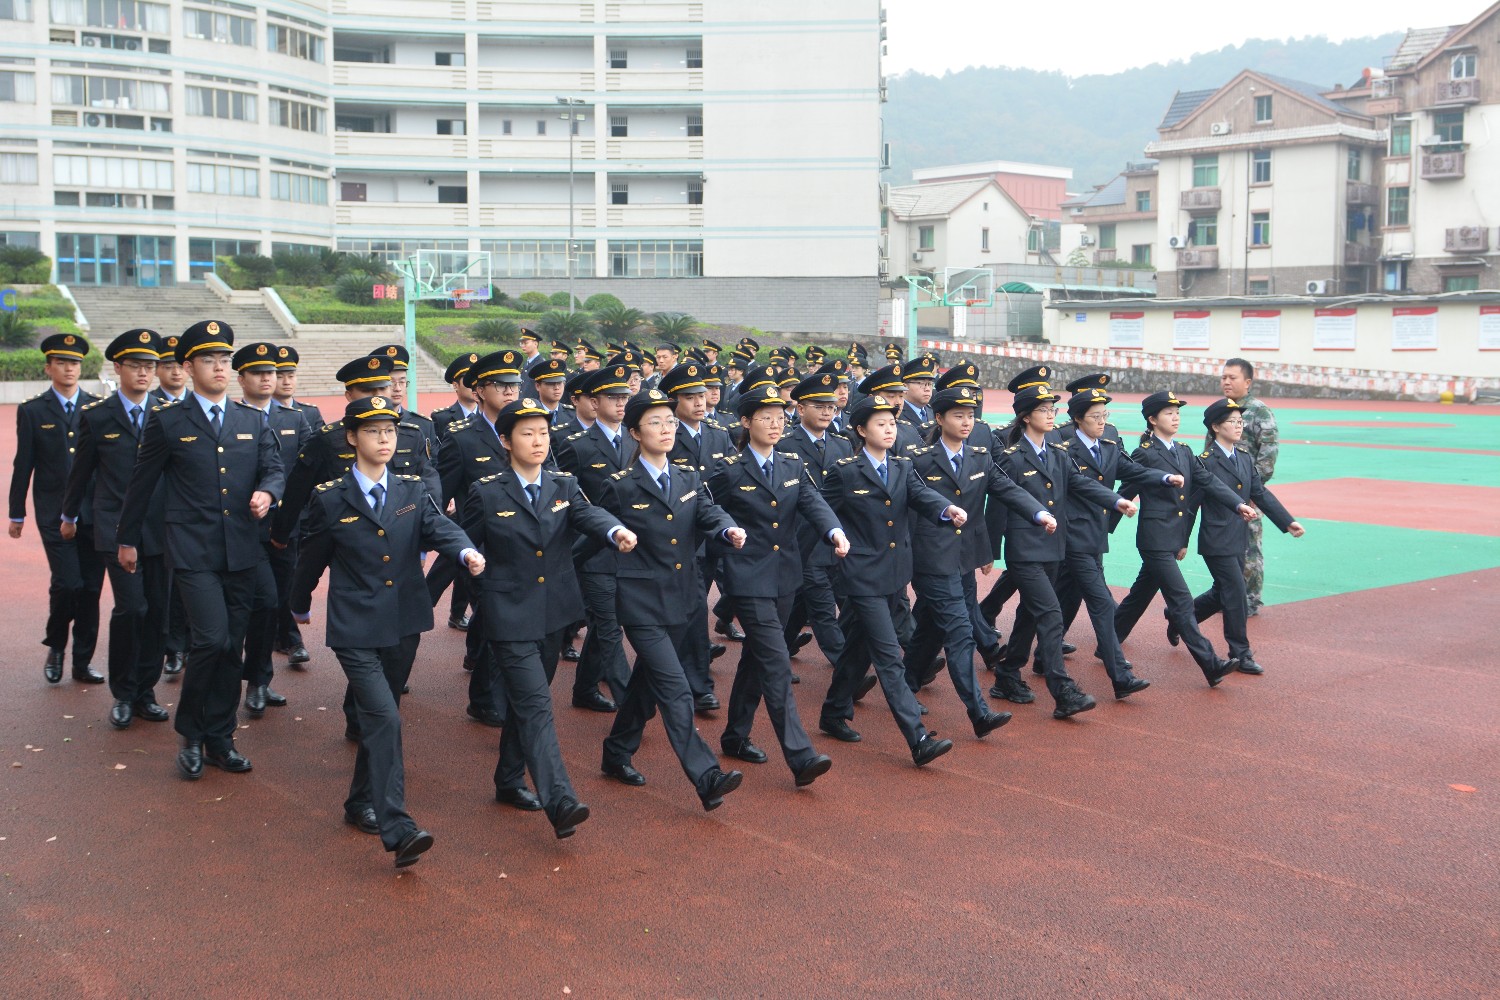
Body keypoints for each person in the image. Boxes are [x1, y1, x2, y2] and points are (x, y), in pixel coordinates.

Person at [293, 394, 484, 868]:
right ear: (352, 438)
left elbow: (441, 527)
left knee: (385, 713)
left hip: (404, 620)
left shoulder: (412, 490)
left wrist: (464, 552)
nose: (384, 439)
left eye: (390, 431)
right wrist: (296, 606)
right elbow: (310, 559)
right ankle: (397, 826)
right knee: (384, 717)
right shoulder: (330, 497)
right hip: (355, 626)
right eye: (374, 431)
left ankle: (358, 801)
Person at [115, 320, 284, 779]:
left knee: (232, 647)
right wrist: (127, 539)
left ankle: (219, 738)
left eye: (224, 360)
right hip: (192, 551)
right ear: (188, 367)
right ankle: (190, 732)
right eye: (208, 360)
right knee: (210, 639)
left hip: (242, 550)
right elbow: (141, 485)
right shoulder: (168, 421)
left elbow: (273, 469)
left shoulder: (251, 419)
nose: (219, 368)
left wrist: (268, 493)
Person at [462, 397, 634, 837]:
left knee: (528, 702)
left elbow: (587, 514)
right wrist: (485, 593)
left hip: (555, 612)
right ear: (505, 441)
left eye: (543, 432)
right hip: (509, 616)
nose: (538, 441)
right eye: (527, 433)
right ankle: (560, 800)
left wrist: (613, 530)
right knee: (537, 704)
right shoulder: (486, 492)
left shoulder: (563, 484)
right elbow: (463, 549)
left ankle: (508, 779)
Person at [595, 389, 748, 811]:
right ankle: (706, 775)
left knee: (647, 684)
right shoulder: (620, 487)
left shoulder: (687, 476)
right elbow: (593, 535)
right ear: (634, 433)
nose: (666, 429)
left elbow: (708, 513)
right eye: (655, 423)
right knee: (676, 688)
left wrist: (726, 529)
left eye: (669, 422)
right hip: (641, 602)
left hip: (684, 599)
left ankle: (616, 753)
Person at [706, 385, 843, 785]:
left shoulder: (791, 464)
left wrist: (833, 531)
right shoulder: (729, 469)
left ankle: (735, 736)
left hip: (785, 575)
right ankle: (800, 756)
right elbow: (704, 506)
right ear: (746, 422)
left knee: (758, 656)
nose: (775, 422)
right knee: (776, 660)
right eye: (765, 416)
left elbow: (812, 502)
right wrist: (725, 531)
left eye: (780, 415)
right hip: (747, 578)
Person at [816, 396, 961, 766]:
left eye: (892, 424)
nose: (889, 430)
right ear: (862, 430)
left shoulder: (901, 465)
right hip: (861, 576)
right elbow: (819, 512)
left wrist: (946, 508)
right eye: (880, 424)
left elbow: (921, 495)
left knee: (857, 647)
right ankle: (918, 739)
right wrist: (830, 549)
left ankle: (833, 712)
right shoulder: (845, 471)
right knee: (888, 657)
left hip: (895, 573)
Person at [902, 386, 1052, 733]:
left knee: (930, 627)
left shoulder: (980, 456)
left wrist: (1038, 513)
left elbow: (1009, 490)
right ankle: (979, 712)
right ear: (939, 419)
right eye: (958, 415)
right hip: (931, 559)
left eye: (970, 415)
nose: (967, 421)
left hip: (963, 558)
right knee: (959, 632)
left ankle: (903, 683)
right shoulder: (918, 459)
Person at [988, 383, 1134, 718]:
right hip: (1024, 550)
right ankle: (1062, 690)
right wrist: (990, 551)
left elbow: (1080, 484)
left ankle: (1008, 675)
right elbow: (998, 505)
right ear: (1025, 417)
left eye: (1053, 409)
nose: (1052, 415)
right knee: (1051, 613)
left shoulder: (1056, 452)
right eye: (1044, 410)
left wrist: (1116, 500)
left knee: (1029, 613)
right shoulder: (1011, 458)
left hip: (1054, 548)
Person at [1113, 391, 1260, 687]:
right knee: (1180, 599)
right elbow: (1127, 486)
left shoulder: (1184, 451)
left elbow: (1209, 482)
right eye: (1169, 413)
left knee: (1141, 594)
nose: (1176, 418)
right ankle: (1210, 663)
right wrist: (1105, 521)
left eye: (1177, 413)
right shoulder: (1145, 452)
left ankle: (1110, 640)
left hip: (1171, 538)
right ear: (1153, 420)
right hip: (1154, 539)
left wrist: (1237, 504)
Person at [60, 330, 169, 726]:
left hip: (161, 528)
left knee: (157, 611)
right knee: (132, 607)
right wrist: (69, 516)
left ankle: (146, 690)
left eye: (150, 366)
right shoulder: (98, 416)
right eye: (136, 365)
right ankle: (123, 692)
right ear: (117, 367)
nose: (144, 373)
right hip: (115, 526)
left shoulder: (168, 413)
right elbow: (81, 474)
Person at [1050, 380, 1167, 698]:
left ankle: (1028, 659)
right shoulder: (1061, 443)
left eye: (1105, 414)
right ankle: (1120, 675)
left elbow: (1131, 470)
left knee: (1065, 598)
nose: (1103, 421)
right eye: (1095, 416)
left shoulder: (1110, 442)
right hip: (1072, 534)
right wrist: (1115, 501)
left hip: (1094, 534)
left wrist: (1165, 477)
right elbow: (1077, 485)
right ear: (1078, 419)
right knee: (1101, 602)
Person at [434, 349, 526, 727]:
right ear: (479, 390)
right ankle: (484, 698)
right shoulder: (462, 439)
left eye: (514, 385)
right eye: (501, 385)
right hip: (480, 547)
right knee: (494, 617)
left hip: (522, 542)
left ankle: (491, 682)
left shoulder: (526, 426)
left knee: (501, 622)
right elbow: (439, 494)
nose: (509, 391)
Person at [1183, 397, 1304, 674]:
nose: (1238, 426)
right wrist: (1182, 542)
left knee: (1221, 592)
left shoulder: (1245, 459)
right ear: (1215, 426)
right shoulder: (1205, 463)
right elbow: (1191, 505)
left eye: (1240, 421)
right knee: (1236, 592)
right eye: (1232, 422)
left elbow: (1259, 493)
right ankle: (1241, 653)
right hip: (1216, 539)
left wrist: (1287, 522)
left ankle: (1181, 617)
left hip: (1239, 537)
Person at [10, 332, 105, 684]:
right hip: (53, 511)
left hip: (95, 512)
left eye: (75, 363)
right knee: (68, 583)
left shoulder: (97, 408)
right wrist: (16, 512)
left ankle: (82, 662)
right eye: (62, 362)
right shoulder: (33, 411)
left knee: (91, 589)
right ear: (49, 367)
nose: (69, 369)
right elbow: (24, 464)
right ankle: (57, 645)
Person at [554, 365, 635, 712]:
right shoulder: (576, 445)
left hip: (630, 549)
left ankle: (585, 688)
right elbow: (569, 501)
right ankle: (631, 700)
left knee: (610, 623)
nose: (620, 403)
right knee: (608, 624)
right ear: (594, 401)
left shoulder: (636, 439)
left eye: (624, 397)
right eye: (612, 398)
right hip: (593, 551)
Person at [233, 342, 305, 717]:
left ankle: (260, 679)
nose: (267, 378)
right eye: (259, 373)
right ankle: (244, 678)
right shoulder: (230, 417)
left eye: (272, 373)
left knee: (274, 602)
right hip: (240, 529)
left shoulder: (294, 419)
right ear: (241, 378)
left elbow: (309, 472)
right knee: (251, 604)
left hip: (284, 530)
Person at [662, 361, 735, 708]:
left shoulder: (719, 434)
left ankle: (698, 682)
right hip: (672, 536)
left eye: (703, 395)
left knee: (695, 608)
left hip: (708, 537)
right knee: (673, 612)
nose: (700, 402)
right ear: (674, 400)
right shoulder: (664, 434)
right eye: (690, 397)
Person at [778, 372, 855, 666]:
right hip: (799, 537)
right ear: (800, 409)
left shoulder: (842, 445)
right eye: (819, 406)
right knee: (822, 605)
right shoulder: (784, 444)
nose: (827, 412)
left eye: (831, 407)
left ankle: (776, 652)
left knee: (803, 601)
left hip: (834, 537)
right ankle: (847, 667)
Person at [1221, 358, 1279, 615]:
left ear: (1247, 382)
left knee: (1249, 548)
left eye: (1232, 377)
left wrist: (1254, 491)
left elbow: (1268, 456)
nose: (1226, 382)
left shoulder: (1258, 411)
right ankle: (1227, 596)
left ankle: (1250, 599)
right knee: (1224, 548)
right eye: (1223, 377)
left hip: (1248, 494)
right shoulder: (1221, 410)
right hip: (1223, 494)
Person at [271, 345, 323, 429]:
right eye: (279, 377)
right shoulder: (262, 413)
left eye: (291, 376)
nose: (286, 382)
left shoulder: (310, 413)